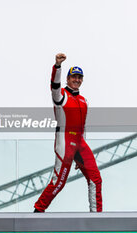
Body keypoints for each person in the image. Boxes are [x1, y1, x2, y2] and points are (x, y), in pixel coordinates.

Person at [33, 53, 102, 212]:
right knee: (59, 182)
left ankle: (97, 217)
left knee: (96, 179)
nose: (77, 80)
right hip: (65, 143)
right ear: (68, 79)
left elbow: (83, 126)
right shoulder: (61, 96)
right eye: (73, 77)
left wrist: (80, 156)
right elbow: (54, 86)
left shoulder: (84, 100)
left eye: (79, 77)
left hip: (80, 144)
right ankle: (38, 211)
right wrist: (57, 66)